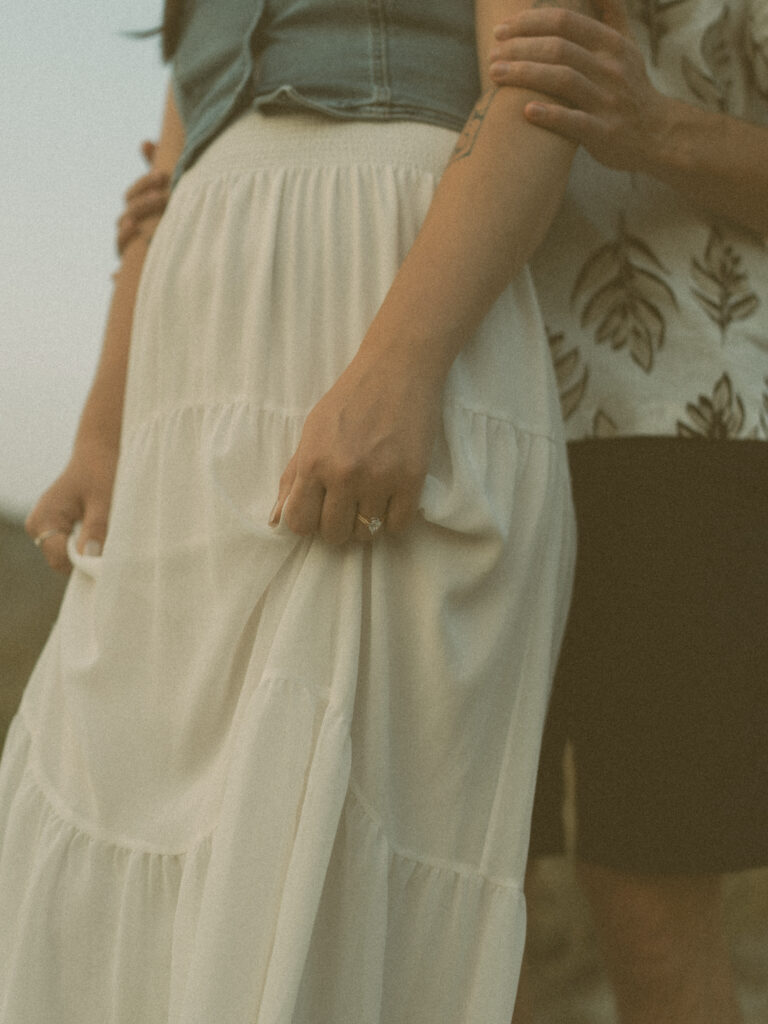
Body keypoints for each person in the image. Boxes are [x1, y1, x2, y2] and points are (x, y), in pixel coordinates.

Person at [1, 0, 591, 1021]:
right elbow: (179, 154)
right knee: (122, 814)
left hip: (387, 288)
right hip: (192, 372)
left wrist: (399, 366)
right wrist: (101, 429)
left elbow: (541, 88)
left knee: (324, 863)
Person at [485, 1, 768, 1022]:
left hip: (688, 426)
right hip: (464, 409)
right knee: (461, 884)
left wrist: (652, 125)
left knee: (652, 888)